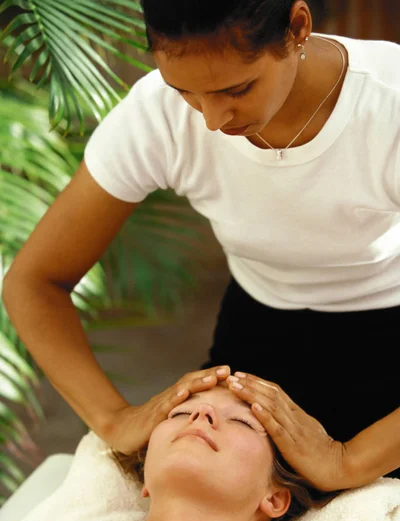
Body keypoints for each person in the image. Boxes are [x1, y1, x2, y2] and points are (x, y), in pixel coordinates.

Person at [2, 0, 400, 488]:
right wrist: (113, 421)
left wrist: (349, 462)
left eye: (237, 89)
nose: (211, 120)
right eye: (184, 90)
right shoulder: (158, 114)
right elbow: (34, 281)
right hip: (255, 330)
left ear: (297, 29)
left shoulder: (389, 105)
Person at [0, 384, 344, 521]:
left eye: (242, 421)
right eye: (181, 413)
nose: (202, 413)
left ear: (274, 498)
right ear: (146, 477)